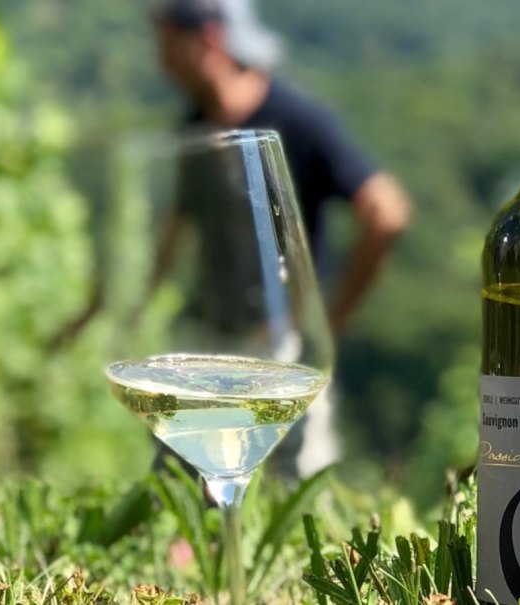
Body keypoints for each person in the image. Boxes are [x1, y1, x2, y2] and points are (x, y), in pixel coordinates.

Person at [153, 0, 412, 477]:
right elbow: (174, 229)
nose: (159, 58)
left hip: (281, 353)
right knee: (183, 492)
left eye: (166, 40)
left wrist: (328, 322)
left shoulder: (297, 120)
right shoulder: (193, 126)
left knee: (289, 497)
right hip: (205, 344)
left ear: (208, 39)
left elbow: (387, 211)